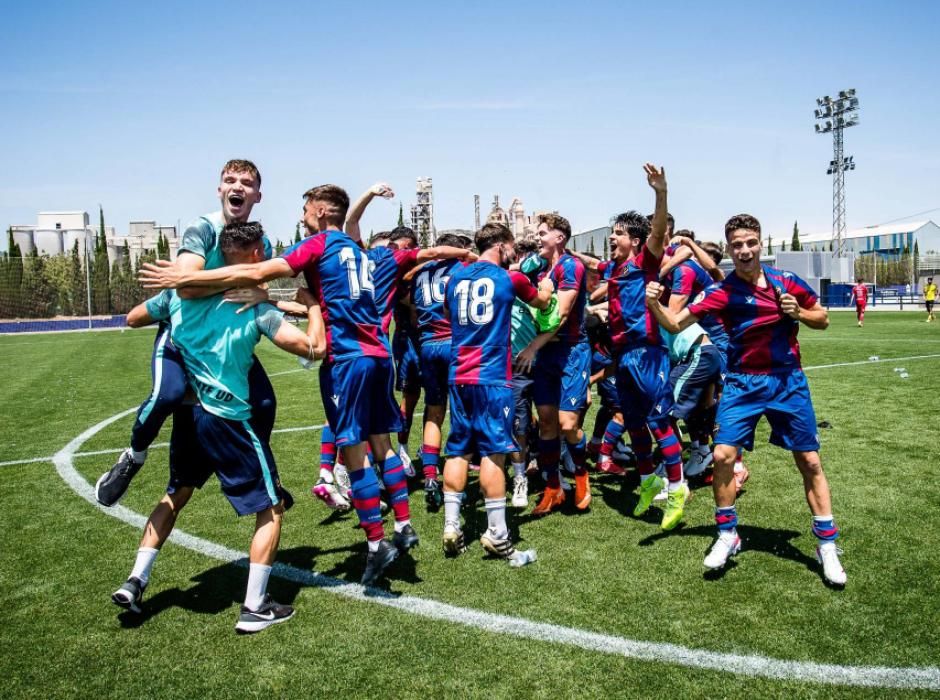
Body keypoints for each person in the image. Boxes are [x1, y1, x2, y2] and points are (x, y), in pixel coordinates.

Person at [141, 184, 420, 586]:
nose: (302, 214)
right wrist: (282, 298)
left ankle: (377, 545)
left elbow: (258, 269)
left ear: (322, 211)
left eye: (306, 208)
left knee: (355, 454)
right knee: (383, 445)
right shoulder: (357, 250)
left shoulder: (319, 243)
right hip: (378, 355)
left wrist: (189, 277)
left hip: (347, 359)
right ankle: (404, 525)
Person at [112, 221, 325, 633]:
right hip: (227, 419)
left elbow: (133, 317)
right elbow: (312, 348)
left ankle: (136, 578)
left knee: (175, 495)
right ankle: (255, 606)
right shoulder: (254, 308)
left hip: (189, 415)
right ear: (250, 257)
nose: (265, 256)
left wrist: (174, 307)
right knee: (271, 509)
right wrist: (312, 304)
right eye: (262, 250)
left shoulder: (179, 298)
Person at [645, 213, 846, 586]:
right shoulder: (721, 291)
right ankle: (727, 534)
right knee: (722, 456)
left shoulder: (786, 282)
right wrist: (655, 303)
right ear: (729, 249)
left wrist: (798, 312)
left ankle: (826, 544)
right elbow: (675, 324)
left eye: (750, 242)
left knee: (809, 461)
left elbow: (823, 318)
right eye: (737, 244)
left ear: (759, 242)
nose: (744, 250)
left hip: (788, 381)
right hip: (741, 383)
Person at [95, 159, 277, 507]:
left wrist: (261, 291)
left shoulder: (262, 244)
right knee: (168, 394)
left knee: (265, 401)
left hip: (220, 341)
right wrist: (237, 281)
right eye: (229, 179)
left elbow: (257, 286)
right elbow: (185, 290)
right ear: (220, 189)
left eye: (245, 182)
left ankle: (262, 469)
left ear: (257, 195)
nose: (236, 186)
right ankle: (133, 457)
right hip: (181, 333)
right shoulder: (202, 229)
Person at [440, 222, 551, 561]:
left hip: (459, 372)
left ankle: (452, 525)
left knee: (458, 448)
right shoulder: (510, 277)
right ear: (502, 245)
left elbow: (448, 313)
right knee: (493, 451)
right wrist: (545, 284)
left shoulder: (457, 277)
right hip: (491, 375)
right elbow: (543, 303)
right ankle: (497, 533)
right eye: (512, 248)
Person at [603, 164, 689, 531]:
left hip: (648, 352)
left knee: (659, 422)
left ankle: (677, 488)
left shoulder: (645, 261)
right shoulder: (614, 270)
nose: (612, 237)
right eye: (612, 232)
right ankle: (647, 481)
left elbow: (657, 230)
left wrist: (660, 192)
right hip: (622, 356)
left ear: (635, 242)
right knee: (635, 424)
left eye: (619, 233)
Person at [515, 214, 593, 516]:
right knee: (546, 423)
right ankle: (553, 488)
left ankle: (581, 477)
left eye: (543, 232)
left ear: (560, 238)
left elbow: (560, 315)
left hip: (571, 350)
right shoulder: (540, 268)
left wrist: (532, 346)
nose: (538, 237)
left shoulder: (570, 266)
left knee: (567, 424)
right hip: (546, 353)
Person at [410, 233, 475, 510]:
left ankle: (429, 475)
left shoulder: (421, 272)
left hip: (427, 345)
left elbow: (413, 310)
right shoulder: (462, 269)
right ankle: (457, 472)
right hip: (454, 344)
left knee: (433, 410)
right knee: (463, 410)